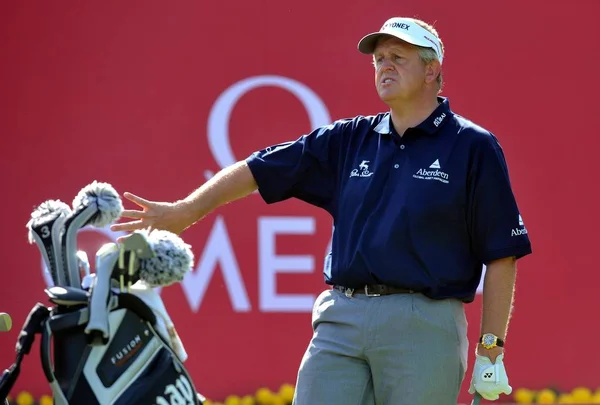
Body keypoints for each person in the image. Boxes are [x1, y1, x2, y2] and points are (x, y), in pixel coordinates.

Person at [111, 16, 532, 405]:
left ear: (432, 69)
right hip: (341, 317)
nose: (384, 66)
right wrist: (188, 210)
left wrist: (490, 349)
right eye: (378, 59)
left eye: (397, 58)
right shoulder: (348, 138)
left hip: (424, 325)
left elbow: (501, 254)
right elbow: (260, 168)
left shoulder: (472, 146)